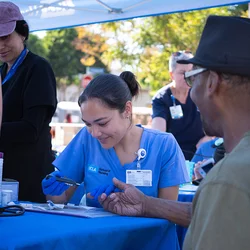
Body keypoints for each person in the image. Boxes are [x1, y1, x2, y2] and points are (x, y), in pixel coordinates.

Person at [94, 15, 250, 250]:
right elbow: (206, 211)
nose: (190, 90)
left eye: (192, 78)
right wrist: (146, 204)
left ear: (211, 84)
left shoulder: (229, 181)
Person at [42, 71, 189, 207]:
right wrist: (53, 190)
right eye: (88, 124)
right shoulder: (86, 139)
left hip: (150, 236)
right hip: (98, 234)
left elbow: (170, 211)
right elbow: (60, 200)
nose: (95, 133)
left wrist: (139, 204)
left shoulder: (163, 145)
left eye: (102, 123)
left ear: (127, 110)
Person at [0, 2, 57, 202]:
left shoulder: (38, 68)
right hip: (5, 174)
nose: (0, 45)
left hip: (30, 176)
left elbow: (31, 128)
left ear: (22, 33)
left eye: (5, 37)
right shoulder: (1, 72)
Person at [151, 50, 208, 160]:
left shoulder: (202, 93)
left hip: (201, 154)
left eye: (191, 71)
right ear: (172, 75)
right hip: (173, 156)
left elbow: (218, 122)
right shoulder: (162, 99)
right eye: (182, 73)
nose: (189, 76)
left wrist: (207, 138)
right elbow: (158, 136)